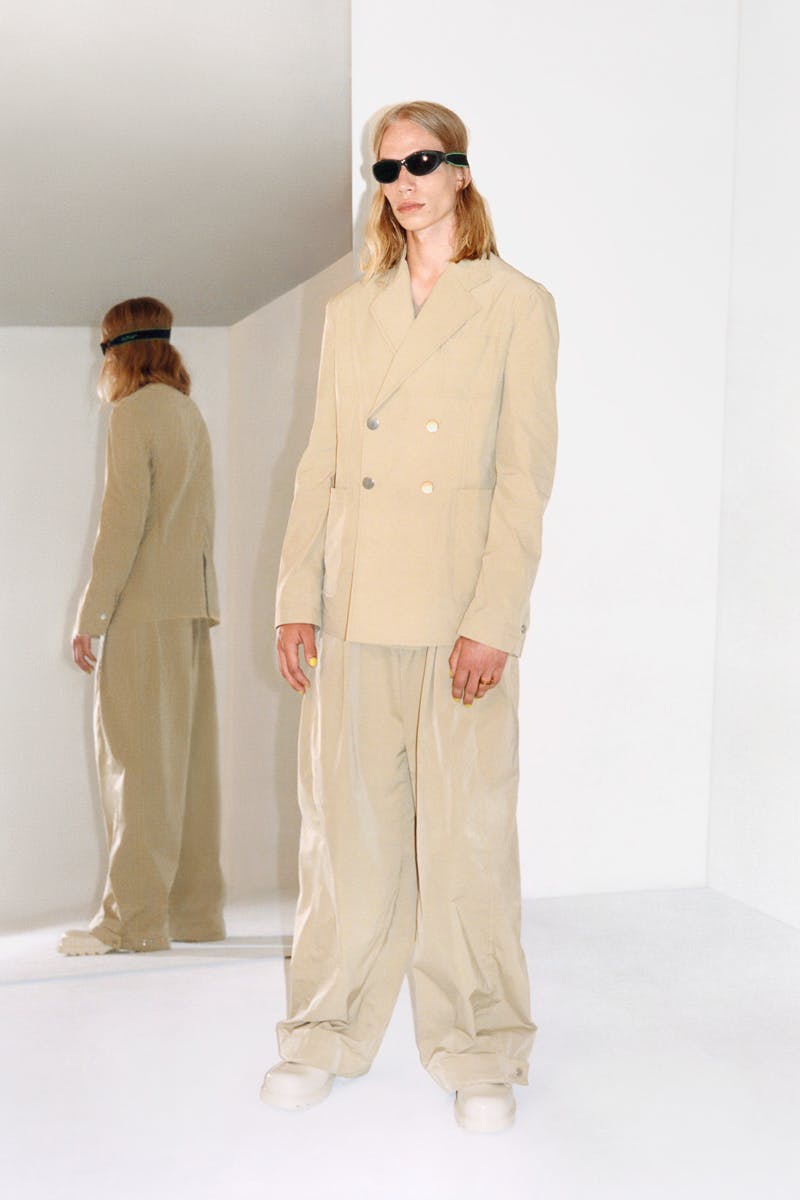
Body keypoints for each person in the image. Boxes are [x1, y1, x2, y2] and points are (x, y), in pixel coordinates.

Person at [260, 101, 558, 1133]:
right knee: (342, 839)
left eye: (422, 162)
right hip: (354, 608)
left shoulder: (517, 305)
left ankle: (479, 1046)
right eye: (386, 169)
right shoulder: (353, 311)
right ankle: (323, 1031)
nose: (403, 184)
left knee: (467, 841)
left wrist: (495, 618)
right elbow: (320, 463)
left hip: (455, 611)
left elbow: (523, 479)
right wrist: (296, 597)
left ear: (461, 171)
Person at [61, 297, 225, 956]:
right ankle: (193, 913)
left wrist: (92, 615)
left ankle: (132, 922)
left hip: (144, 613)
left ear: (118, 353)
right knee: (187, 769)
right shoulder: (189, 412)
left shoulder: (131, 415)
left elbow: (122, 522)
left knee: (135, 767)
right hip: (190, 611)